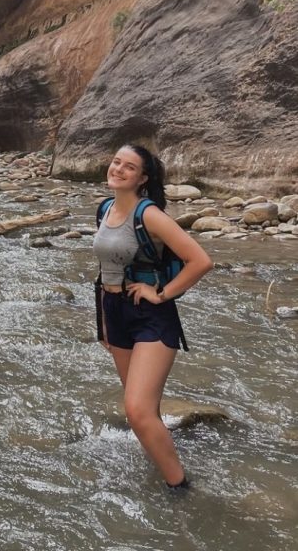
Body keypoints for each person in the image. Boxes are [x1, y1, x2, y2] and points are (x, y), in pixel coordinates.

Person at [93, 144, 213, 491]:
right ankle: (160, 458)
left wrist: (160, 293)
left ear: (142, 178)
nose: (118, 169)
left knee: (137, 410)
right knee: (145, 408)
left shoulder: (150, 215)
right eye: (116, 161)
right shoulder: (104, 209)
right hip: (115, 313)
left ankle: (180, 488)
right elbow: (106, 270)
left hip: (150, 316)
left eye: (128, 167)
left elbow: (201, 261)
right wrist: (103, 322)